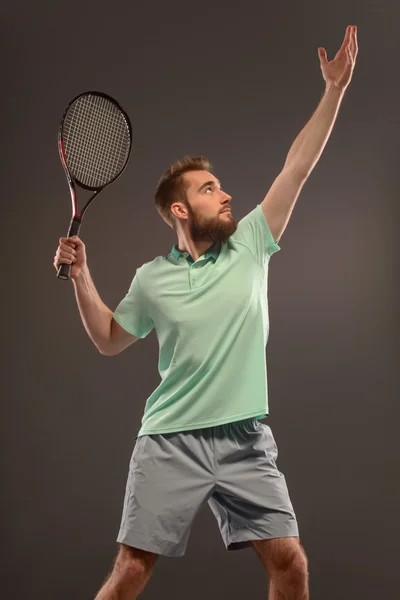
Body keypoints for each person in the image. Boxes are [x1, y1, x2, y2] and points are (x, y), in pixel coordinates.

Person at [53, 25, 358, 600]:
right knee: (129, 575)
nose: (225, 195)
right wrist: (81, 274)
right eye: (209, 188)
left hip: (244, 438)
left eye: (221, 186)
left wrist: (334, 90)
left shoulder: (251, 243)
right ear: (179, 209)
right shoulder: (152, 278)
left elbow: (296, 166)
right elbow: (109, 339)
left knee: (290, 564)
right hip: (170, 442)